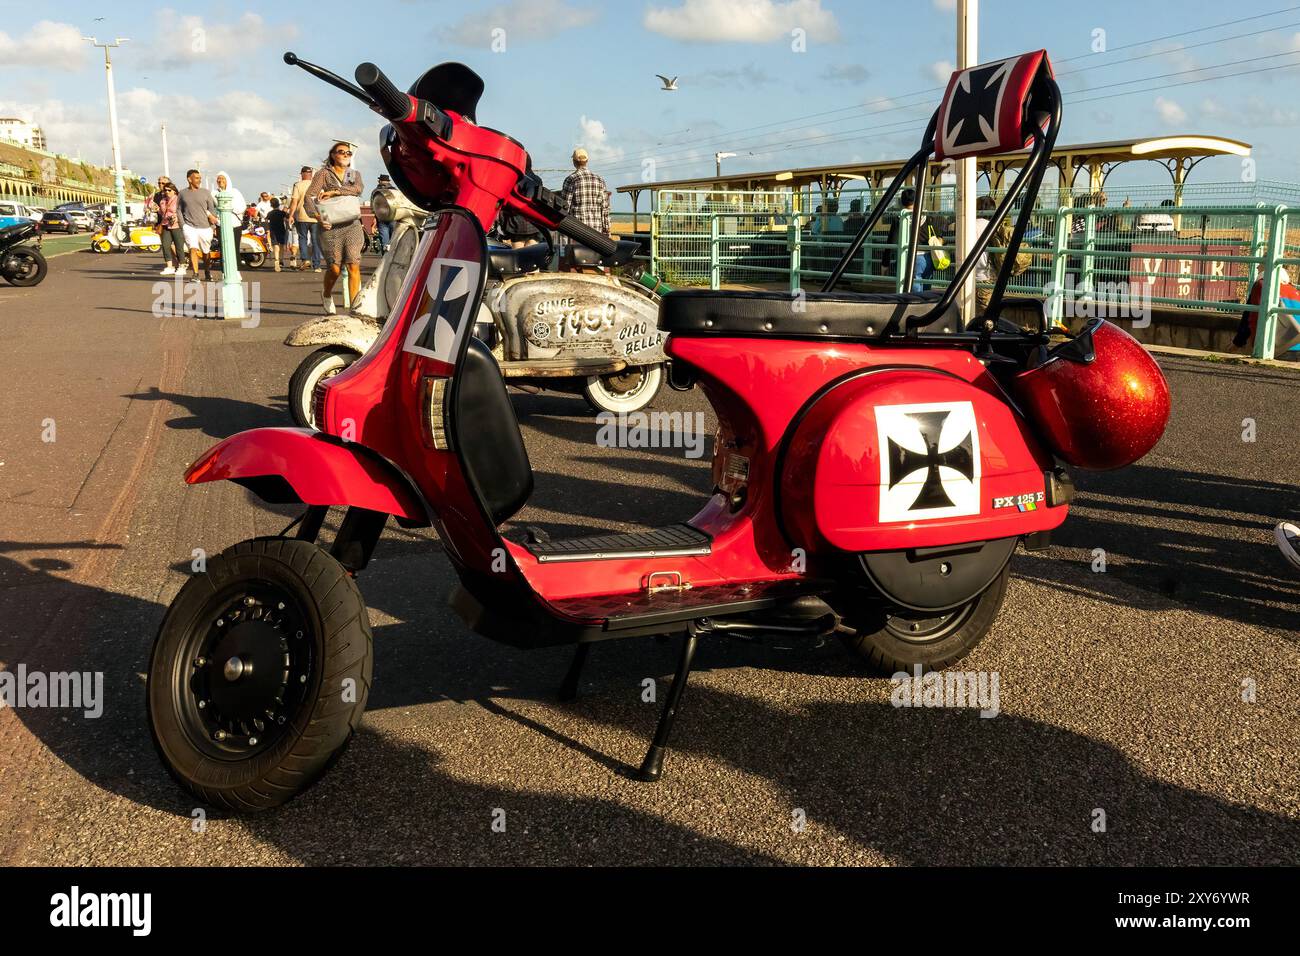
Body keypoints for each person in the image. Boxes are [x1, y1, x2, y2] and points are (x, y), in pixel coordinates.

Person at [305, 141, 364, 315]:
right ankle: (327, 294)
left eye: (348, 153)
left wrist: (335, 192)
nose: (346, 155)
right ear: (333, 154)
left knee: (353, 265)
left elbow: (358, 189)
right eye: (341, 152)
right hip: (330, 226)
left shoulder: (353, 174)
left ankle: (354, 310)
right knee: (335, 268)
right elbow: (309, 197)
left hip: (352, 224)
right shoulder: (324, 173)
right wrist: (318, 217)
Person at [178, 168, 218, 281]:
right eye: (196, 178)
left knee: (206, 252)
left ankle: (207, 271)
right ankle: (195, 274)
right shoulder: (182, 193)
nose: (199, 180)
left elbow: (212, 209)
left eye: (200, 178)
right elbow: (178, 209)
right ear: (189, 179)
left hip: (205, 227)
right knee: (193, 248)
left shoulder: (206, 192)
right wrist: (183, 225)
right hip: (189, 226)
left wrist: (213, 225)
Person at [561, 147, 609, 237]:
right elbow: (605, 208)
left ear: (574, 162)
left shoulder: (571, 179)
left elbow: (564, 207)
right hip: (597, 230)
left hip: (577, 229)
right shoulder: (600, 180)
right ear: (587, 161)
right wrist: (606, 230)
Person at [288, 165, 321, 272]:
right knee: (316, 240)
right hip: (316, 217)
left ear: (302, 174)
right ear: (311, 174)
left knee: (302, 238)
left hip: (301, 216)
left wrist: (291, 215)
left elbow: (294, 202)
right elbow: (322, 201)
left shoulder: (298, 185)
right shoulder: (317, 185)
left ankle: (305, 259)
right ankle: (317, 266)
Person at [213, 171, 247, 271]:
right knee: (223, 249)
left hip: (235, 224)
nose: (220, 181)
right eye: (218, 179)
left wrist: (229, 208)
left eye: (223, 178)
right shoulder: (214, 193)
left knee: (234, 248)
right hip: (221, 224)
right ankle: (225, 271)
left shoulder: (235, 192)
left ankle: (236, 271)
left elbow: (242, 206)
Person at [156, 181, 186, 276]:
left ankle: (182, 266)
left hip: (176, 225)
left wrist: (176, 217)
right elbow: (162, 213)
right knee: (165, 245)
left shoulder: (178, 200)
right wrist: (157, 210)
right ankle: (169, 266)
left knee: (179, 246)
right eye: (165, 190)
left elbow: (183, 211)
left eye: (169, 190)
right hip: (166, 225)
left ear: (174, 191)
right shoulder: (162, 201)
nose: (167, 192)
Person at [372, 174, 397, 253]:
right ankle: (394, 260)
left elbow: (373, 207)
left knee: (385, 243)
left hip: (381, 219)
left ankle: (385, 261)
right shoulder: (394, 190)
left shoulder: (375, 191)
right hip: (393, 218)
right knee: (394, 241)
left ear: (380, 181)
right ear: (388, 181)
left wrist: (374, 220)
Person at [266, 197, 289, 272]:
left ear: (271, 205)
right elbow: (288, 216)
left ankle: (276, 260)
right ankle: (281, 260)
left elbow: (266, 219)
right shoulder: (281, 213)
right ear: (279, 204)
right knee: (281, 245)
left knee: (275, 245)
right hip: (281, 230)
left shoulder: (270, 213)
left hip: (273, 231)